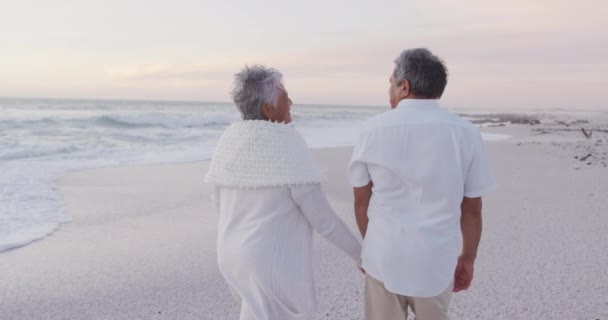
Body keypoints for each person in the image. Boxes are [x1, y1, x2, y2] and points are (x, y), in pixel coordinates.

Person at [348, 48, 497, 320]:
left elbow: (361, 201)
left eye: (390, 84)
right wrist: (468, 258)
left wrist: (370, 247)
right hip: (435, 259)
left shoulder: (371, 129)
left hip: (384, 255)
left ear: (404, 86)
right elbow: (472, 209)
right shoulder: (466, 133)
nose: (389, 92)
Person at [206, 65, 361, 320]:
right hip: (271, 262)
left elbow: (218, 204)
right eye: (284, 96)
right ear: (268, 109)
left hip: (231, 257)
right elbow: (322, 219)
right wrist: (361, 255)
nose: (290, 101)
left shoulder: (230, 140)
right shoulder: (286, 143)